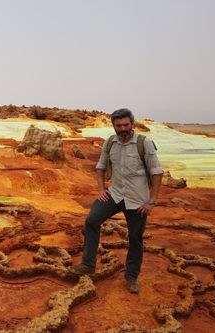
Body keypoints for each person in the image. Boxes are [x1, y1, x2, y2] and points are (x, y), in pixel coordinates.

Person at [68, 108, 163, 293]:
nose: (122, 129)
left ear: (132, 124)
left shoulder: (145, 143)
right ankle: (88, 265)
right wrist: (102, 189)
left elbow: (157, 172)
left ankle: (131, 277)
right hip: (115, 194)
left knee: (135, 238)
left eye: (126, 125)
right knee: (92, 220)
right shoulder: (110, 143)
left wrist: (152, 201)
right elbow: (101, 167)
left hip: (137, 200)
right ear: (113, 126)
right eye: (118, 126)